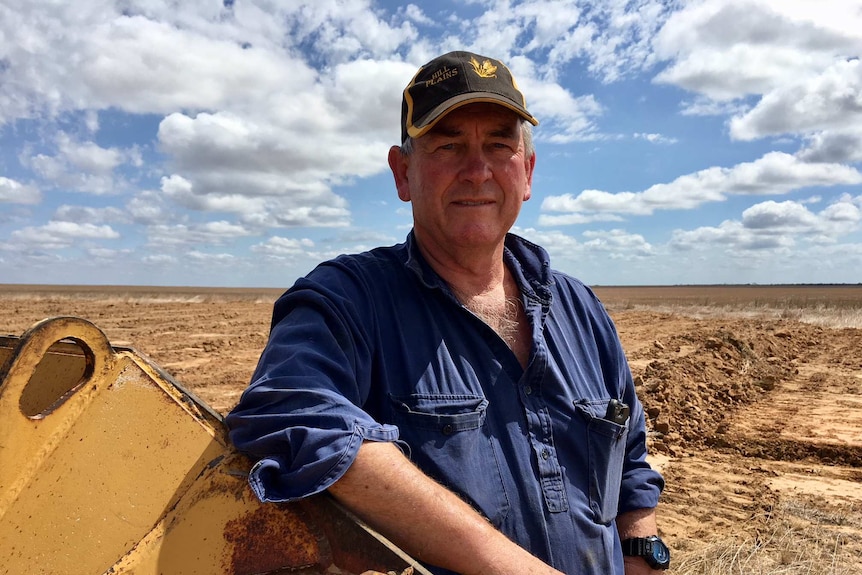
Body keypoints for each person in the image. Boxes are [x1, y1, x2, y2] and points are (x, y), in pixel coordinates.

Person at [226, 50, 668, 575]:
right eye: (448, 143)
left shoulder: (580, 309)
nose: (477, 170)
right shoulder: (349, 299)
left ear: (526, 172)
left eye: (499, 144)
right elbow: (291, 411)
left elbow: (631, 462)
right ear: (403, 172)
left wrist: (642, 556)